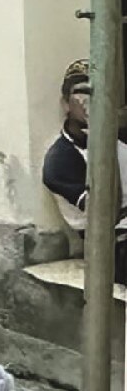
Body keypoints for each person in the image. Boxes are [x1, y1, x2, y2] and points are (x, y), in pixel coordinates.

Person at [42, 58, 127, 281]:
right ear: (66, 103)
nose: (89, 102)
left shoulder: (119, 142)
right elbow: (103, 213)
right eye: (81, 94)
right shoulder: (60, 159)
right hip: (111, 246)